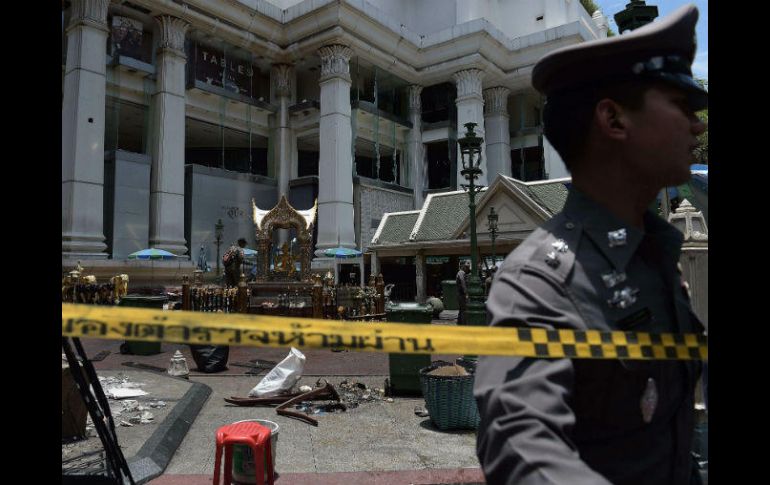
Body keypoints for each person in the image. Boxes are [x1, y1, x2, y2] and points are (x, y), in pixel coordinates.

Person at [474, 5, 707, 485]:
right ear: (614, 119)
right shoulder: (540, 281)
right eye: (681, 106)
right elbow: (521, 447)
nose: (698, 125)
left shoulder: (655, 256)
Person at [455, 261, 470, 325]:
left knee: (461, 309)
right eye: (466, 267)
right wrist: (466, 293)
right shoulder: (461, 273)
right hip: (461, 294)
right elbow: (463, 283)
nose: (467, 268)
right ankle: (463, 324)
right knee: (464, 309)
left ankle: (459, 323)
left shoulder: (461, 272)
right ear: (462, 266)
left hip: (460, 293)